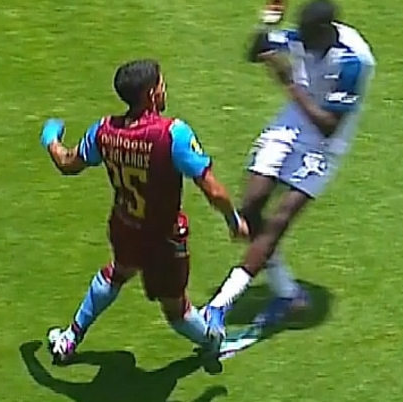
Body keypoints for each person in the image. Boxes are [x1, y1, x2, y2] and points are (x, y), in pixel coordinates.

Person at [39, 59, 248, 363]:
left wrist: (50, 140)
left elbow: (67, 163)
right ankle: (211, 339)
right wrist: (233, 220)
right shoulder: (172, 134)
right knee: (176, 309)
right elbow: (213, 190)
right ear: (151, 94)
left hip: (125, 225)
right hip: (163, 238)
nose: (165, 89)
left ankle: (71, 337)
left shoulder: (103, 131)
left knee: (118, 271)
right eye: (162, 84)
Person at [202, 0, 376, 342]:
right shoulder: (302, 36)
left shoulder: (354, 60)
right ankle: (289, 294)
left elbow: (328, 125)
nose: (302, 42)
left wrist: (290, 83)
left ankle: (218, 306)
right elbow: (255, 51)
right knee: (251, 205)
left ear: (326, 32)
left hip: (325, 145)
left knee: (279, 220)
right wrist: (267, 22)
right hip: (293, 123)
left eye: (308, 37)